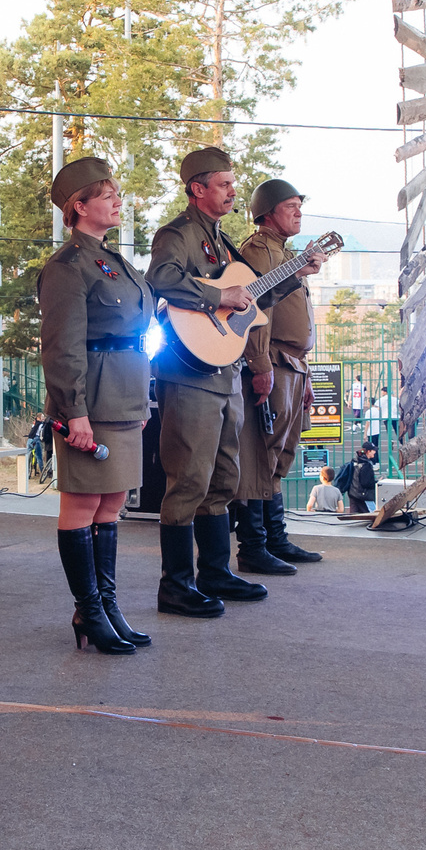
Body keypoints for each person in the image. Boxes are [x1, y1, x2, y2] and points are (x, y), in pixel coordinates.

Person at [36, 156, 154, 655]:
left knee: (111, 503)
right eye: (106, 195)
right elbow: (62, 347)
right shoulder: (67, 267)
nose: (117, 201)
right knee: (82, 503)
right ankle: (88, 608)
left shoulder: (115, 260)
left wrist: (144, 396)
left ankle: (106, 605)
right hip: (92, 397)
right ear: (78, 207)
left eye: (116, 194)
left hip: (125, 393)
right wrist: (72, 411)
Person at [144, 146, 266, 615]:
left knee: (223, 475)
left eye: (234, 184)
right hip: (189, 372)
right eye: (224, 184)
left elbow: (246, 296)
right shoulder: (176, 234)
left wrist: (295, 276)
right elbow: (164, 279)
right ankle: (176, 585)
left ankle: (214, 572)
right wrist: (218, 292)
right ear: (198, 189)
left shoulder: (220, 238)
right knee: (189, 477)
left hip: (223, 371)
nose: (234, 191)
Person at [236, 177, 327, 575]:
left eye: (299, 206)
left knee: (280, 455)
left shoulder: (285, 254)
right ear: (267, 212)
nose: (298, 213)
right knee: (261, 454)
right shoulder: (258, 250)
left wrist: (305, 375)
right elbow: (256, 311)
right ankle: (254, 545)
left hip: (293, 363)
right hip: (272, 360)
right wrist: (260, 365)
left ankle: (275, 538)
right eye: (290, 206)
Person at [343, 444, 379, 515]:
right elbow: (365, 483)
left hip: (353, 493)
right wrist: (376, 482)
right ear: (368, 451)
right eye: (373, 450)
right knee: (371, 515)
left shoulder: (355, 461)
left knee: (353, 516)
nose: (375, 452)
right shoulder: (366, 465)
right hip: (363, 496)